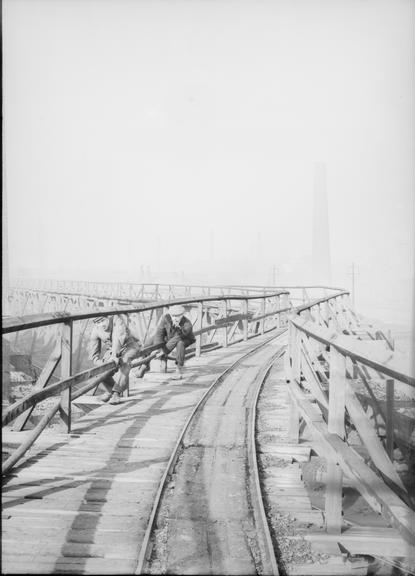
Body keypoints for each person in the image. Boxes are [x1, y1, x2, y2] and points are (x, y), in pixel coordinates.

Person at [89, 314, 141, 404]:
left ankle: (116, 393)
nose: (101, 324)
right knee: (102, 367)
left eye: (102, 321)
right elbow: (94, 353)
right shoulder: (96, 329)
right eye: (98, 322)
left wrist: (114, 357)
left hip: (129, 346)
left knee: (125, 361)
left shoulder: (117, 320)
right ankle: (111, 390)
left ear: (107, 318)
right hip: (112, 350)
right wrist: (99, 363)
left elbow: (118, 339)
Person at [137, 304, 195, 380]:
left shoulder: (187, 324)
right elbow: (160, 332)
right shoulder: (166, 318)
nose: (175, 318)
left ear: (182, 315)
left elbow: (177, 338)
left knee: (180, 344)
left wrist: (163, 351)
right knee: (148, 343)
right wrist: (157, 348)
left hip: (185, 339)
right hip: (168, 336)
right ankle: (144, 365)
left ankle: (179, 368)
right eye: (173, 315)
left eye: (178, 316)